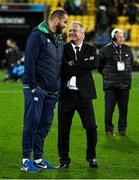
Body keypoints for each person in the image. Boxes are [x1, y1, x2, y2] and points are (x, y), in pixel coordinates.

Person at [21, 9, 68, 172]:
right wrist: (33, 86)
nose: (65, 26)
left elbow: (59, 66)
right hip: (37, 88)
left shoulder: (59, 40)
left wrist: (58, 87)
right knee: (31, 124)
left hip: (52, 92)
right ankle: (26, 160)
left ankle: (38, 158)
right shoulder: (37, 36)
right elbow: (29, 61)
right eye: (65, 22)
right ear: (56, 21)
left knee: (44, 126)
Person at [58, 21, 98, 168]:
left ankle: (91, 156)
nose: (71, 33)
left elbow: (93, 65)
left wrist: (73, 64)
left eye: (74, 31)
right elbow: (63, 69)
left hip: (84, 96)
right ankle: (64, 160)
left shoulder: (90, 49)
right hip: (66, 95)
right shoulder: (62, 49)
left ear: (82, 34)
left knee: (91, 127)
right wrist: (82, 64)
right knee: (63, 130)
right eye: (69, 31)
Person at [98, 28, 134, 136]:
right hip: (111, 86)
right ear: (113, 37)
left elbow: (130, 63)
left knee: (124, 110)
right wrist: (106, 75)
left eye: (123, 36)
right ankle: (109, 129)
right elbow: (99, 66)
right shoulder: (105, 50)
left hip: (124, 85)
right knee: (109, 109)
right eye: (119, 36)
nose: (122, 38)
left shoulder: (127, 49)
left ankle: (122, 129)